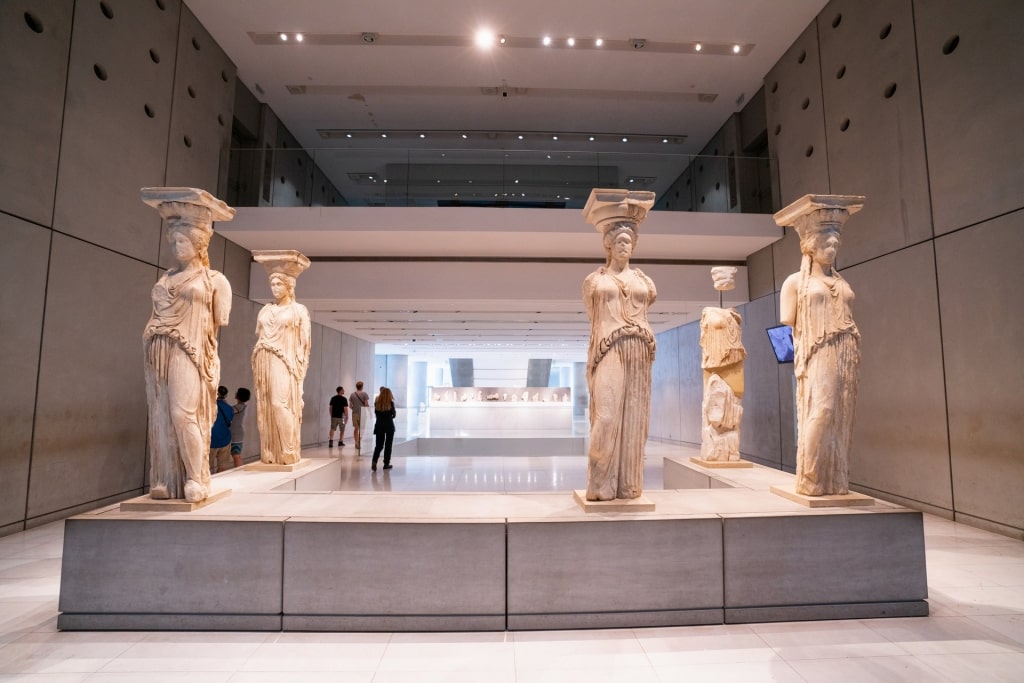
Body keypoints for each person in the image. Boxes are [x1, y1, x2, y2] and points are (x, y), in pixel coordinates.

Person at [141, 187, 234, 503]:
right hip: (159, 349)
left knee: (183, 414)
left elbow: (219, 321)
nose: (175, 246)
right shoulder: (164, 278)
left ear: (198, 244)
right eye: (172, 241)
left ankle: (196, 477)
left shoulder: (215, 281)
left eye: (181, 241)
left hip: (191, 352)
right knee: (162, 414)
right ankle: (167, 479)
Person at [778, 195, 863, 496]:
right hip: (817, 351)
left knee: (842, 413)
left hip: (846, 349)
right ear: (810, 245)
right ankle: (812, 477)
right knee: (823, 410)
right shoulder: (794, 284)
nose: (833, 247)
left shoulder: (840, 282)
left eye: (836, 243)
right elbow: (789, 322)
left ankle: (835, 479)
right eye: (827, 242)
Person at [581, 189, 657, 501]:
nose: (625, 246)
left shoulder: (645, 281)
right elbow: (595, 319)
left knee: (634, 420)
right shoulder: (594, 281)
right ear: (608, 245)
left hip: (640, 349)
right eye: (619, 241)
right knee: (607, 417)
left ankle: (627, 485)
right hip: (609, 349)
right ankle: (599, 484)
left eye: (630, 241)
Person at [252, 250, 311, 465]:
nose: (275, 288)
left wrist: (300, 374)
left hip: (285, 362)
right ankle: (270, 450)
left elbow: (304, 346)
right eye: (273, 284)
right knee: (266, 404)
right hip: (264, 358)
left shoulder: (299, 311)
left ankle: (288, 448)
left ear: (289, 286)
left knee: (279, 404)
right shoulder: (265, 310)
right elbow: (259, 335)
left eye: (279, 284)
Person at [371, 386, 397, 471]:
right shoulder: (391, 403)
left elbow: (376, 414)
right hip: (389, 426)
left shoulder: (377, 403)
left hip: (379, 426)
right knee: (388, 445)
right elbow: (394, 415)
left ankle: (374, 461)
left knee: (379, 445)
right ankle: (386, 463)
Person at [210, 385, 233, 474]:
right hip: (225, 439)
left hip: (211, 440)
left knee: (206, 467)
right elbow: (230, 421)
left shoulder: (208, 407)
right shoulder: (229, 408)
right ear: (225, 395)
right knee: (222, 466)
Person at [229, 387, 250, 468]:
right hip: (237, 433)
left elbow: (229, 411)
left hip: (235, 434)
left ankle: (238, 471)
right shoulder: (242, 406)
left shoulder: (239, 407)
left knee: (236, 455)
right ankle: (239, 470)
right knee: (237, 455)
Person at [349, 381, 371, 451]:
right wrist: (370, 412)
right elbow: (366, 404)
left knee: (356, 428)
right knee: (362, 429)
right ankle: (359, 442)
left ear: (356, 386)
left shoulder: (352, 394)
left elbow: (350, 405)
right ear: (362, 386)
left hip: (354, 413)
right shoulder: (364, 394)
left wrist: (354, 409)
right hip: (363, 413)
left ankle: (356, 442)